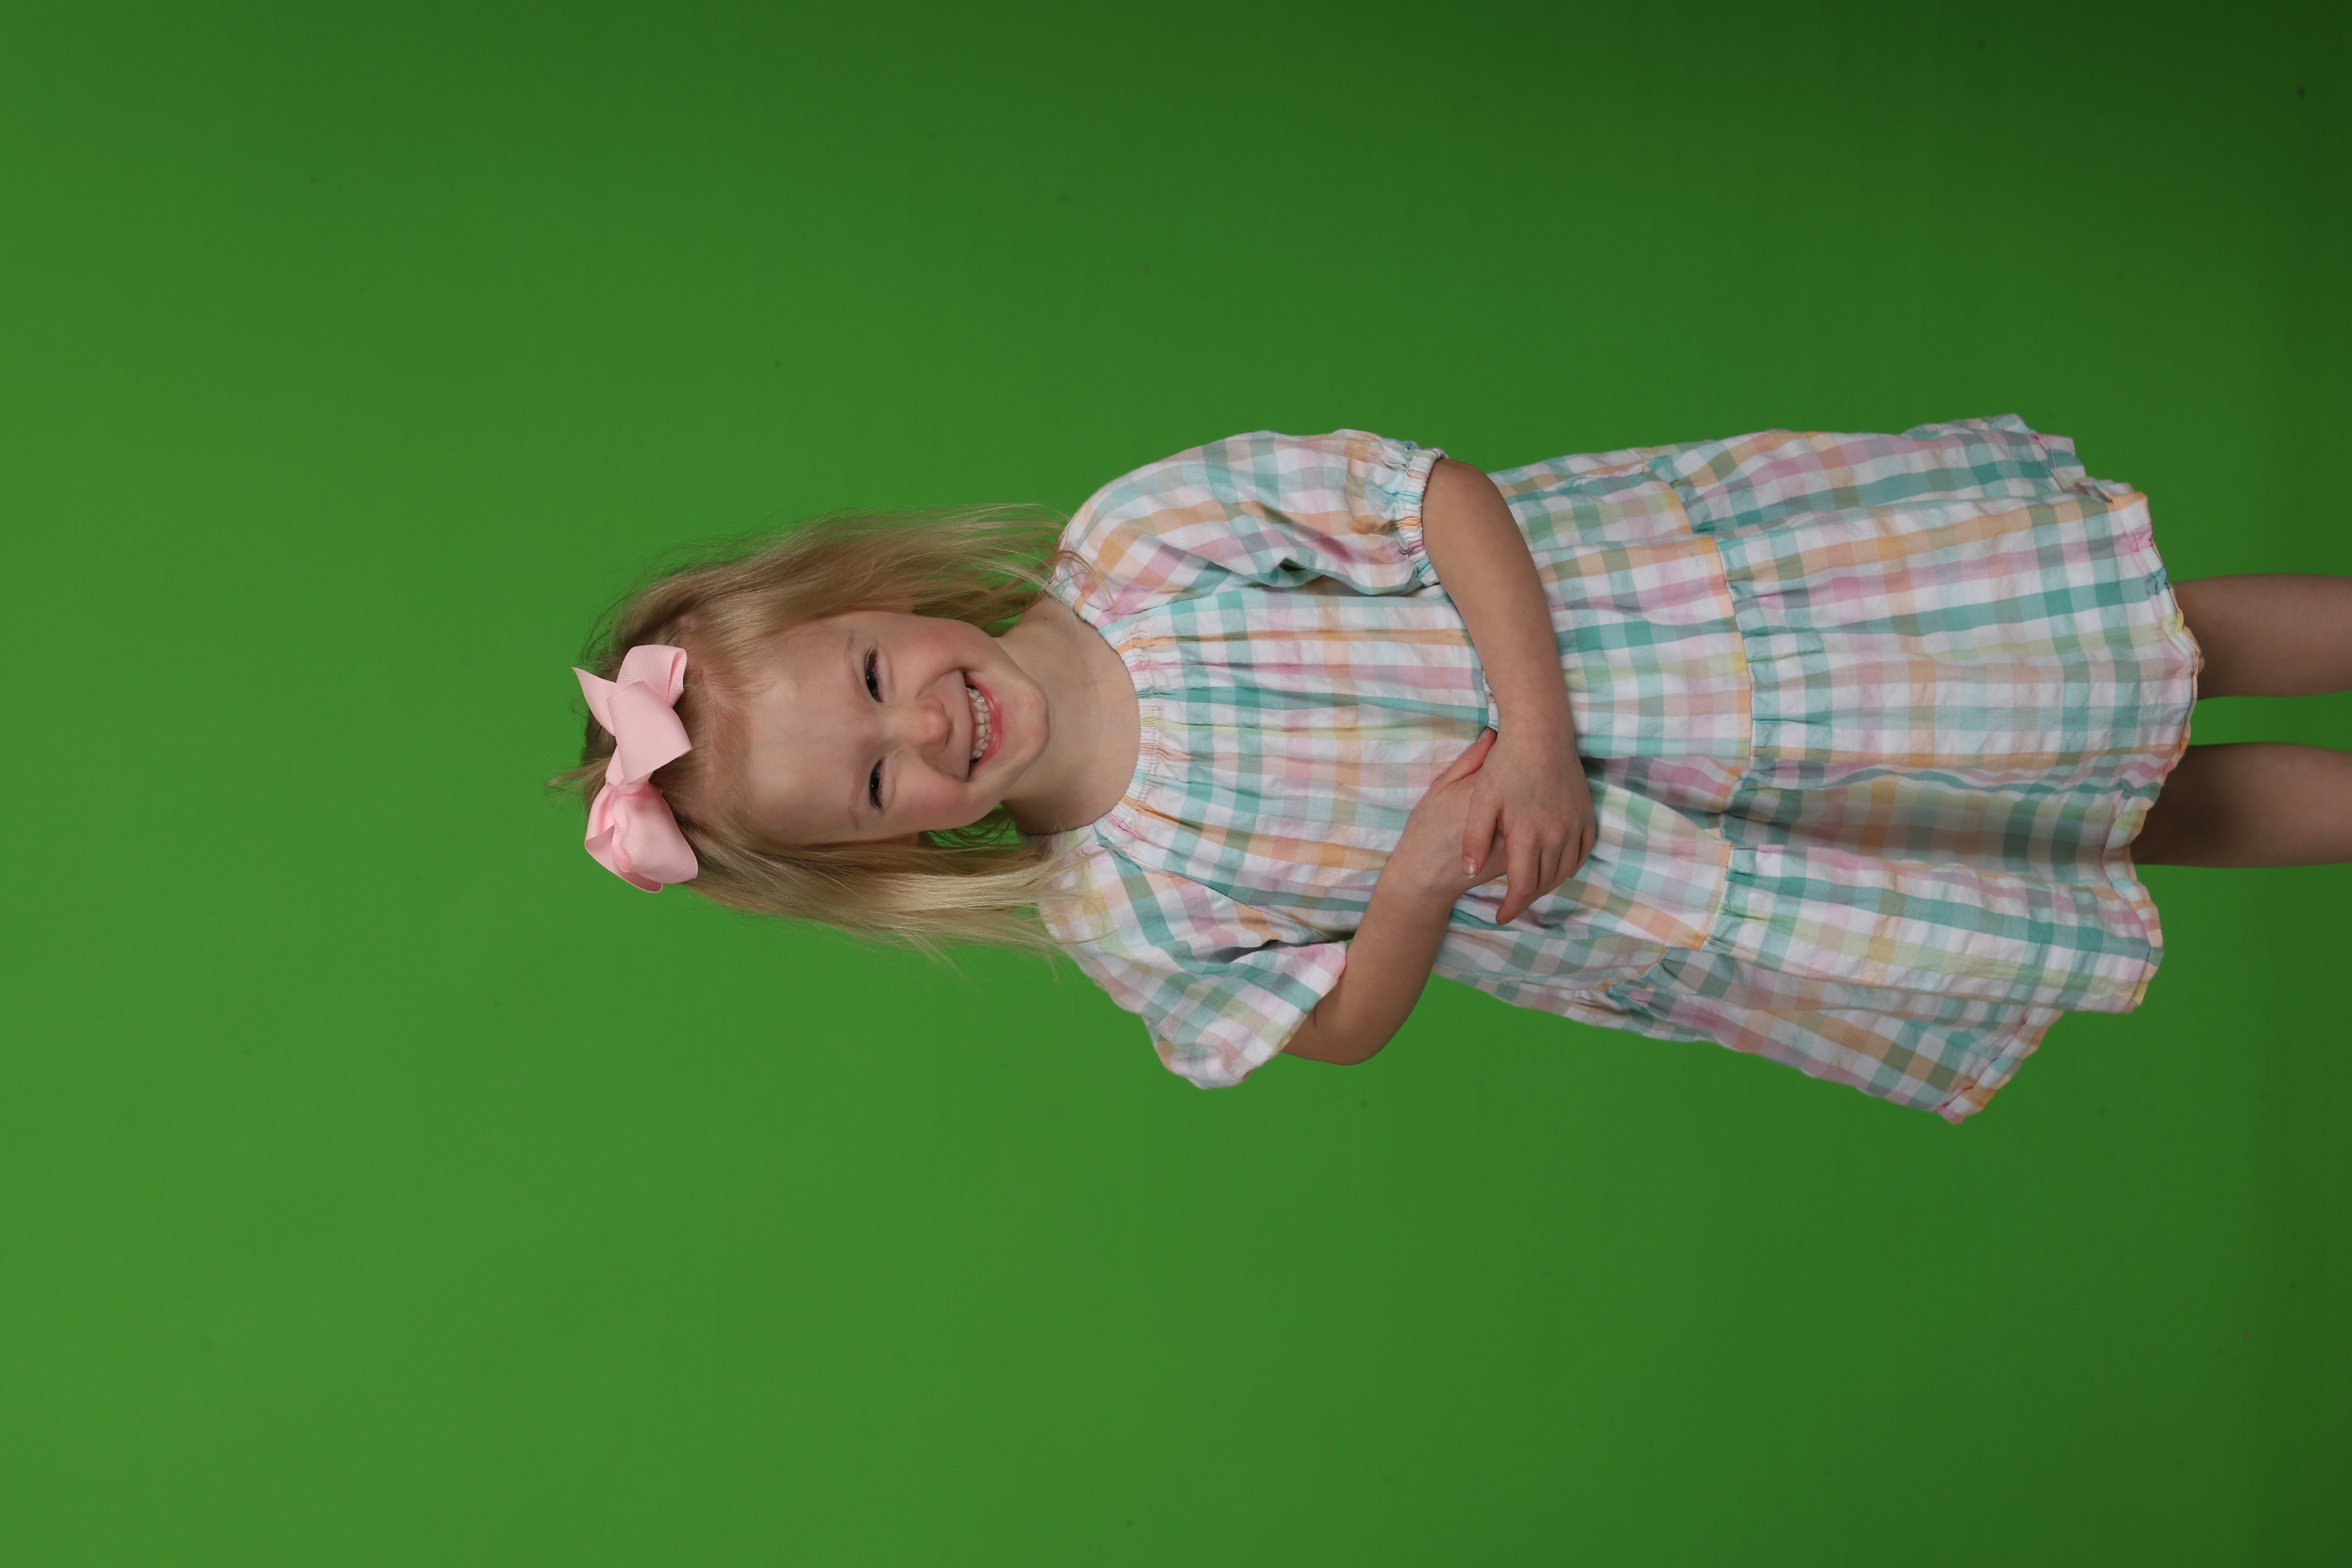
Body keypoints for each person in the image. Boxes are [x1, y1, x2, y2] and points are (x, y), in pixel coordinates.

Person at [559, 419, 2351, 1122]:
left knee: (2132, 636)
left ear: (873, 596)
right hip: (1691, 857)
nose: (926, 729)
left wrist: (1539, 738)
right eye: (880, 784)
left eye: (878, 681)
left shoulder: (1147, 541)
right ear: (896, 851)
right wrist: (1418, 885)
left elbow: (1433, 496)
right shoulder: (1123, 912)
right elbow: (1333, 1027)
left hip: (1714, 635)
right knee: (2124, 821)